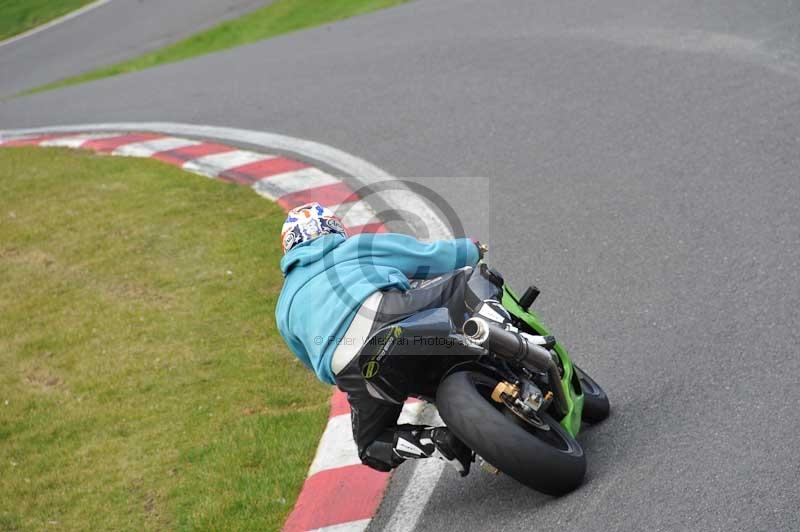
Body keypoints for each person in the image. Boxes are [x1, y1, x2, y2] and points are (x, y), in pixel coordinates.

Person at [275, 202, 488, 475]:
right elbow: (428, 257)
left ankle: (435, 440)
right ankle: (500, 330)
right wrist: (471, 250)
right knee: (465, 281)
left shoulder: (283, 307)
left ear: (289, 249)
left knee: (371, 447)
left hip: (350, 365)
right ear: (335, 229)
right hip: (389, 316)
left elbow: (311, 360)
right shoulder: (352, 247)